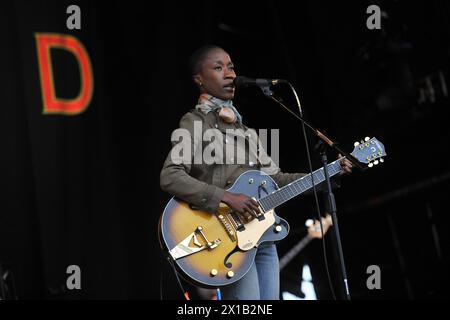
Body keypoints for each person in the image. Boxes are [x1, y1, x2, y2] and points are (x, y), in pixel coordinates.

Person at [160, 45, 353, 300]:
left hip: (262, 236)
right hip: (227, 240)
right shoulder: (195, 122)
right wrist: (227, 198)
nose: (229, 74)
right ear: (199, 79)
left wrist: (331, 173)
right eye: (218, 68)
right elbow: (170, 175)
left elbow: (276, 180)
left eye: (231, 66)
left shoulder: (248, 132)